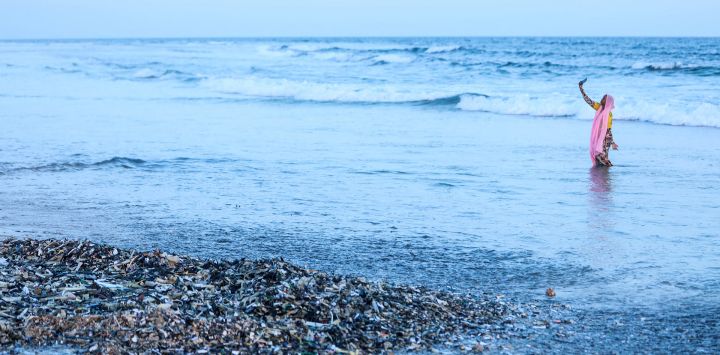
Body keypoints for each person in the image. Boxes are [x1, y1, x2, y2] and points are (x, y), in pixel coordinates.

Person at [579, 78, 618, 166]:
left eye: (605, 98)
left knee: (602, 156)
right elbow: (588, 100)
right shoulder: (599, 107)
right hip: (599, 136)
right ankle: (601, 175)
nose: (602, 99)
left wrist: (612, 142)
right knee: (600, 156)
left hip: (605, 137)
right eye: (603, 98)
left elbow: (608, 129)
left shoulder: (609, 114)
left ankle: (605, 173)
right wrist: (581, 89)